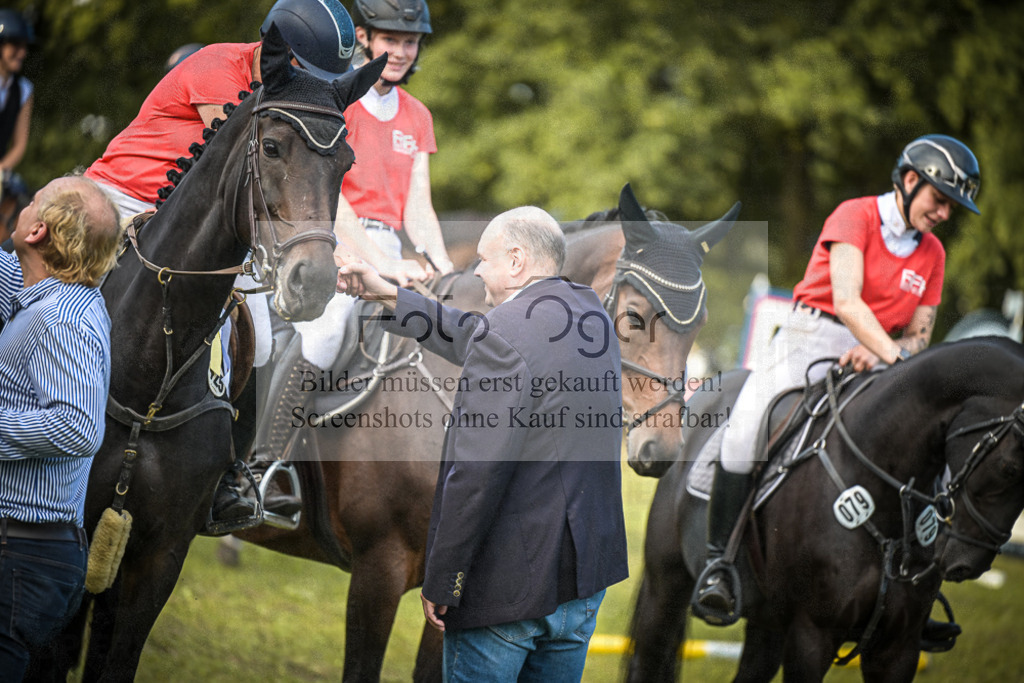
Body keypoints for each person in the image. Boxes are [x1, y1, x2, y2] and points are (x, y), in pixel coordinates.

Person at [82, 0, 358, 524]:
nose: (314, 88)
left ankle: (232, 471)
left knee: (261, 337)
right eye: (308, 73)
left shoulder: (287, 98)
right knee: (58, 285)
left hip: (187, 218)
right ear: (278, 53)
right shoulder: (217, 69)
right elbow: (230, 170)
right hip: (121, 197)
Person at [693, 134, 981, 629]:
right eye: (940, 200)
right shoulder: (855, 215)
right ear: (910, 181)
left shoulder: (933, 253)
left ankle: (918, 583)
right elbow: (847, 301)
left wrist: (885, 355)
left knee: (928, 449)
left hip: (882, 356)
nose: (944, 215)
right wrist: (892, 356)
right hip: (812, 335)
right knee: (747, 426)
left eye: (952, 206)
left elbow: (919, 334)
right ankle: (720, 565)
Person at [338, 206, 629, 682]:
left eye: (484, 259)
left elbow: (474, 475)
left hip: (508, 592)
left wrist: (444, 578)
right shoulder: (590, 316)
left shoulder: (505, 337)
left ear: (516, 261)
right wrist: (387, 292)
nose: (476, 271)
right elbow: (476, 335)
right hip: (582, 586)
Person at [258, 0, 454, 515]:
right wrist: (382, 265)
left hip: (390, 248)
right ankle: (265, 465)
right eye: (390, 39)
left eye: (410, 42)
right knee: (327, 331)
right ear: (365, 38)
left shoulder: (418, 116)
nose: (400, 51)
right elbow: (334, 200)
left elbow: (419, 207)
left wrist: (443, 267)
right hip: (330, 238)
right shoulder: (340, 101)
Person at [0, 175, 121, 681]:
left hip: (24, 556)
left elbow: (77, 427)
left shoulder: (61, 321)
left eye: (31, 203)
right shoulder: (41, 295)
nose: (22, 206)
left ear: (37, 233)